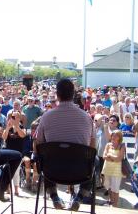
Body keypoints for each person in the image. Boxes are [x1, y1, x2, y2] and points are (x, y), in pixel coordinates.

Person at [35, 78, 96, 210]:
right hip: (80, 171)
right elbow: (93, 147)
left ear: (57, 95)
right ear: (73, 94)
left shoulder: (47, 116)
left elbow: (39, 144)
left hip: (52, 171)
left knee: (45, 156)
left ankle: (54, 196)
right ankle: (79, 198)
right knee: (94, 159)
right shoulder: (86, 117)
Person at [2, 111, 26, 196]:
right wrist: (8, 128)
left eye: (16, 117)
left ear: (19, 118)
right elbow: (4, 138)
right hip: (8, 152)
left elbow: (23, 135)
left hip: (18, 153)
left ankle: (16, 189)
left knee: (16, 171)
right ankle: (7, 188)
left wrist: (16, 126)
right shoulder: (9, 127)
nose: (14, 118)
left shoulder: (22, 127)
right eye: (12, 117)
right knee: (8, 170)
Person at [101, 130, 125, 207]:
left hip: (117, 171)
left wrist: (110, 156)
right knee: (109, 187)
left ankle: (115, 205)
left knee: (115, 189)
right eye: (113, 135)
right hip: (107, 169)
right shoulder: (108, 145)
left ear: (120, 137)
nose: (114, 137)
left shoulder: (122, 146)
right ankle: (111, 202)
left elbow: (119, 158)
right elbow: (104, 156)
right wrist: (113, 158)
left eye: (116, 135)